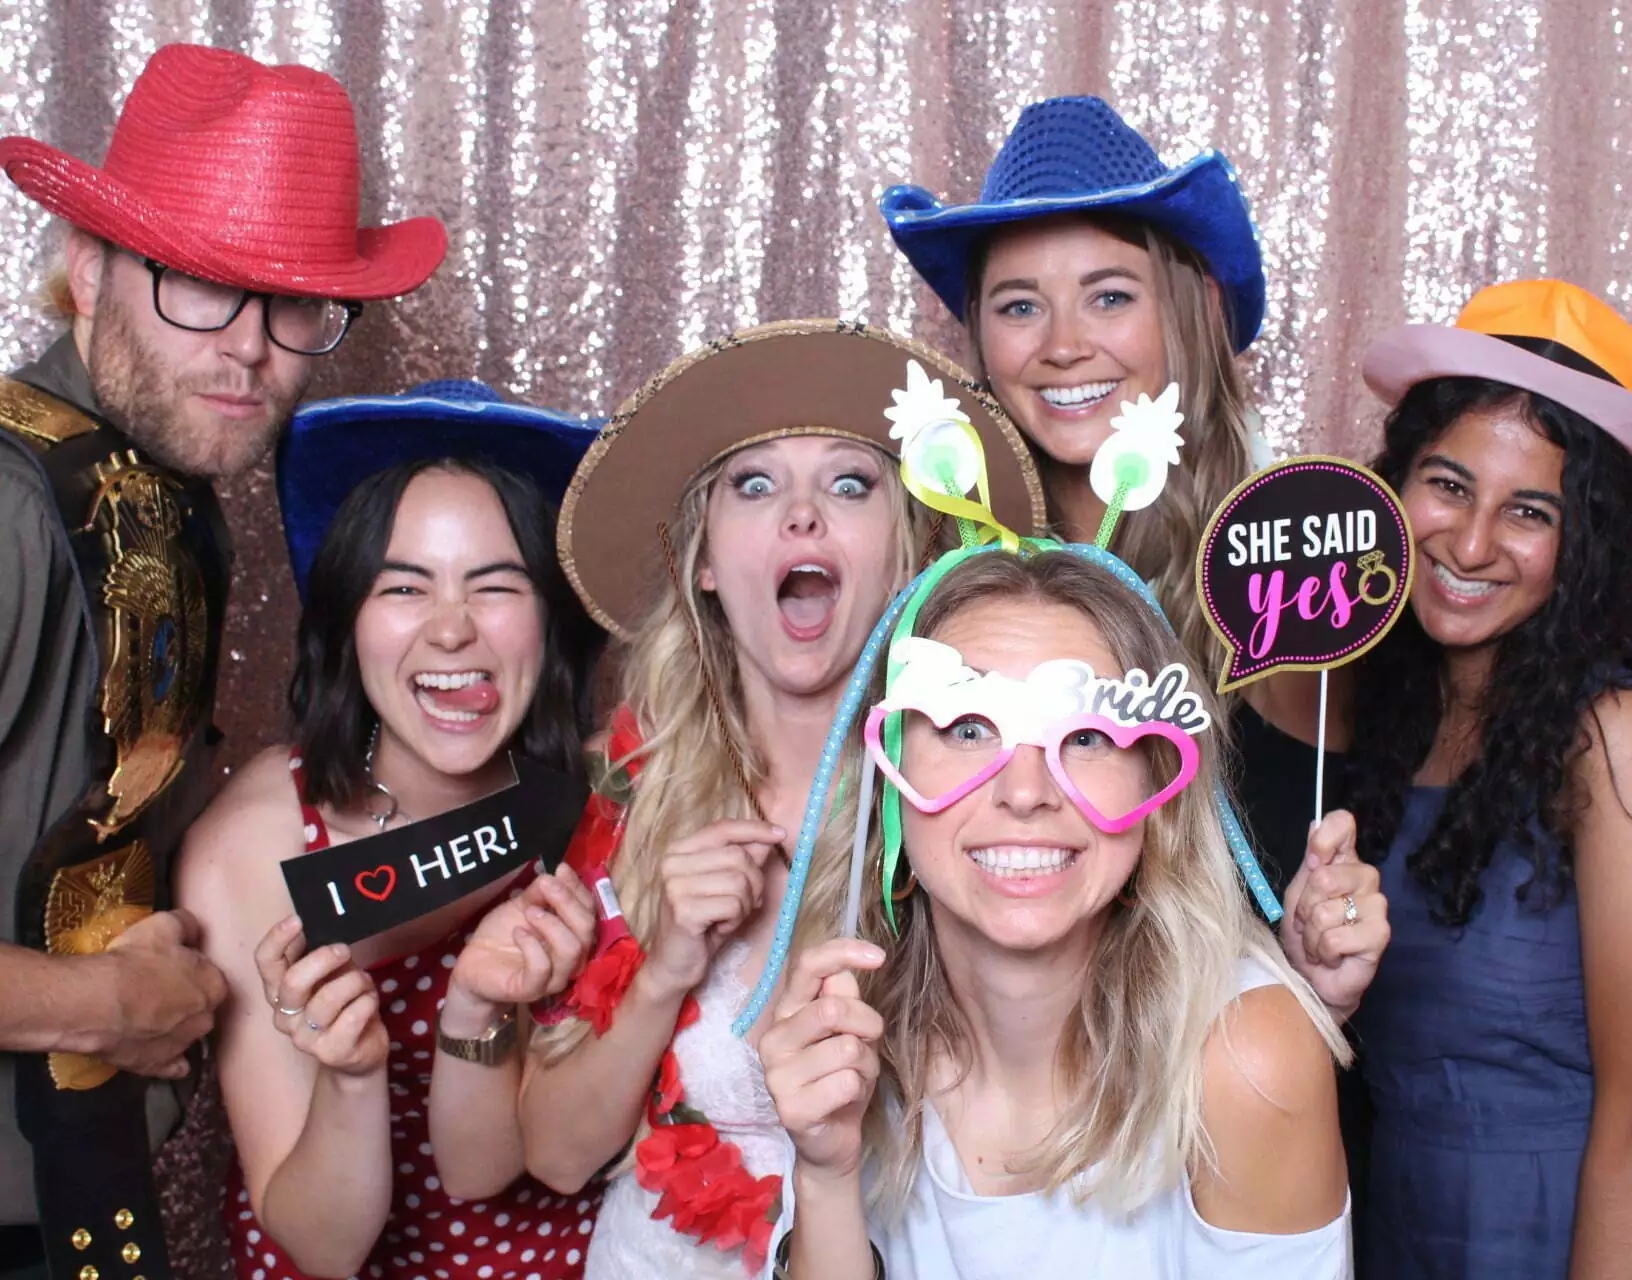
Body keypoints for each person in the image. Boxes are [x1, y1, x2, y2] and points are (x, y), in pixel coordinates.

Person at [426, 321, 1046, 1278]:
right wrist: (666, 969)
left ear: (909, 550)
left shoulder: (990, 792)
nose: (802, 517)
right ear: (706, 560)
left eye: (851, 484)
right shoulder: (632, 794)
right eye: (753, 485)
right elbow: (554, 1155)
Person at [0, 43, 444, 1278]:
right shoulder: (12, 508)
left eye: (292, 301)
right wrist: (91, 1004)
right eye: (199, 283)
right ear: (91, 269)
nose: (251, 347)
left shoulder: (154, 485)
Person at [1337, 280, 1632, 1276]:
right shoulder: (1387, 713)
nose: (1470, 543)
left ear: (1587, 544)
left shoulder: (1623, 738)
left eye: (1529, 511)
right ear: (1393, 484)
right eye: (1448, 484)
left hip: (1611, 1236)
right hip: (1421, 1225)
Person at [760, 548, 1354, 1279]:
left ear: (1157, 789)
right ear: (889, 782)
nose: (1025, 791)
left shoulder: (1247, 1057)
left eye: (1087, 737)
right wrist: (825, 1176)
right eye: (967, 727)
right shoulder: (849, 1030)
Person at [880, 94, 1360, 917]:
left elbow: (1293, 855)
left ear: (1188, 313)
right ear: (979, 337)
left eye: (1109, 297)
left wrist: (1316, 948)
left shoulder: (1287, 576)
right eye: (1020, 306)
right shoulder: (926, 566)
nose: (1064, 346)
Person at [175, 383, 603, 1279]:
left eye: (496, 586)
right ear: (346, 620)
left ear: (552, 617)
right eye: (404, 587)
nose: (451, 630)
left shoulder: (610, 795)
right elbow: (322, 1247)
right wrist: (352, 1076)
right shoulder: (258, 842)